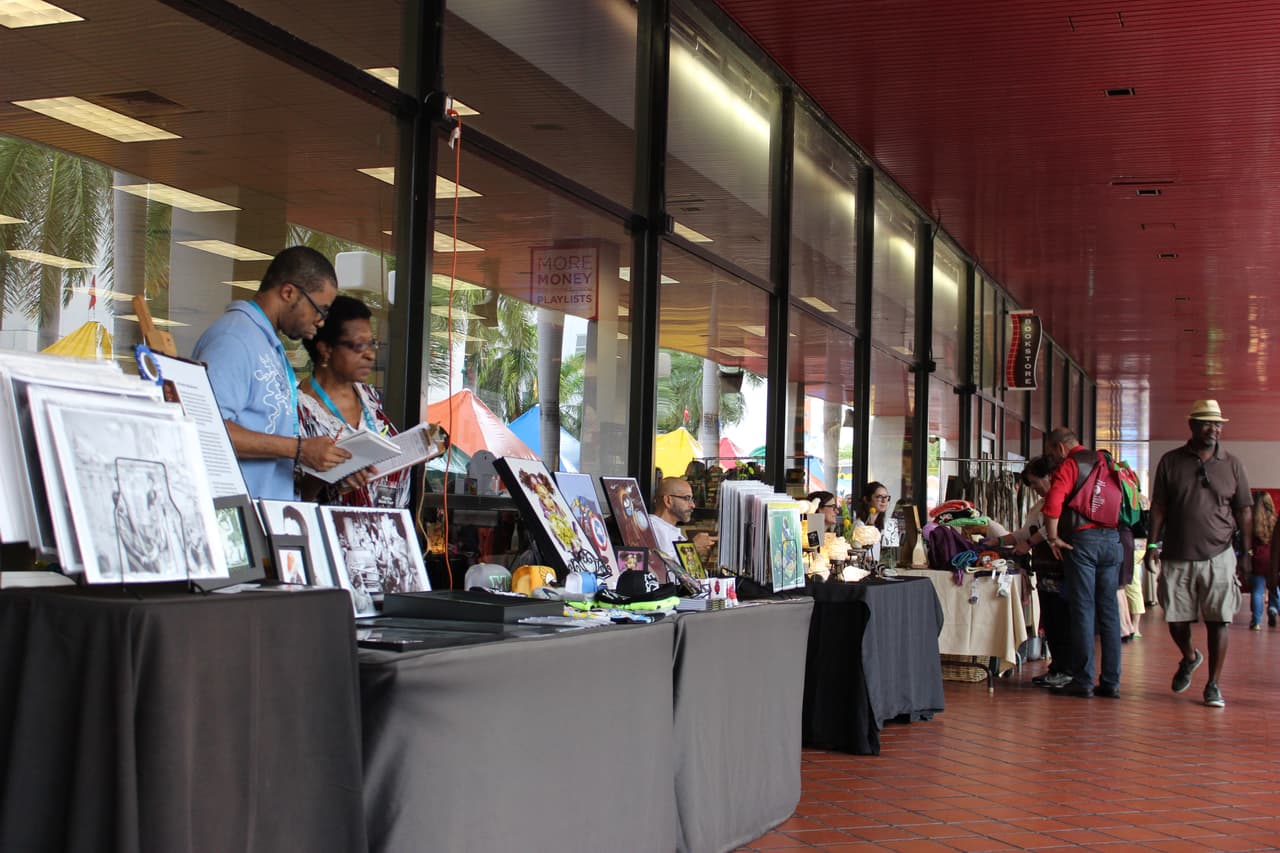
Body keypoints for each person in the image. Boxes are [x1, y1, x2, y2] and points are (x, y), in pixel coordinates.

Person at [192, 246, 350, 500]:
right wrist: (298, 449)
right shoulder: (234, 339)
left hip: (270, 515)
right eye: (319, 310)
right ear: (288, 292)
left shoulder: (266, 343)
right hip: (237, 521)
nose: (321, 322)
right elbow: (205, 428)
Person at [1146, 399, 1252, 708]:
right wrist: (1152, 544)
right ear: (1192, 425)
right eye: (1207, 422)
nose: (1214, 428)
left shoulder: (1233, 464)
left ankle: (1213, 685)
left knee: (1220, 620)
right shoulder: (1170, 461)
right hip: (1178, 554)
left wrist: (1245, 552)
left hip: (1219, 554)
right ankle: (1190, 656)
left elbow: (1244, 510)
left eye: (1218, 424)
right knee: (1177, 620)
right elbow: (1159, 507)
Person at [297, 295, 409, 508]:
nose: (370, 355)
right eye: (359, 345)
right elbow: (292, 495)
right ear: (326, 349)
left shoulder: (370, 397)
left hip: (388, 532)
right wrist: (332, 471)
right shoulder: (298, 411)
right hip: (333, 535)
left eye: (372, 344)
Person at [1042, 427, 1123, 699]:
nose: (1052, 457)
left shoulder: (1071, 464)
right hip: (1112, 540)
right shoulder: (1106, 461)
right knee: (1109, 612)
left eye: (1052, 452)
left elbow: (1053, 501)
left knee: (1083, 610)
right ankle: (1111, 682)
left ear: (1060, 448)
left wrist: (1053, 537)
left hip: (1083, 542)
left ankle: (1083, 680)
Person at [983, 455, 1074, 688]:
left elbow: (1049, 528)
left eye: (1035, 482)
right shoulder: (1039, 504)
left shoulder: (1061, 499)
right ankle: (1058, 667)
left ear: (1049, 476)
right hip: (1045, 569)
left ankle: (1066, 668)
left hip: (1057, 568)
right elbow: (1024, 532)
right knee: (1051, 618)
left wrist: (1030, 543)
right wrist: (1000, 541)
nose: (1034, 488)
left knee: (1060, 618)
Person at [649, 476, 715, 562]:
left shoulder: (670, 530)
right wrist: (692, 548)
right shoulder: (651, 528)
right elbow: (661, 568)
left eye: (692, 499)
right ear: (668, 501)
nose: (693, 505)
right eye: (687, 498)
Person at [1247, 492, 1277, 630]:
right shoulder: (1275, 521)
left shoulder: (1252, 523)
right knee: (1274, 588)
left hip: (1258, 560)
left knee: (1257, 591)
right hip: (1273, 560)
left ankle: (1256, 621)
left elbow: (1248, 544)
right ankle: (1273, 608)